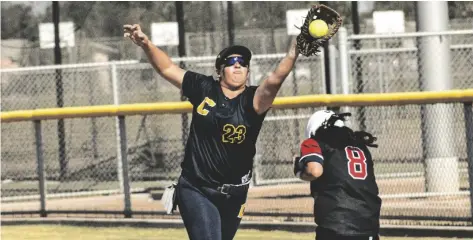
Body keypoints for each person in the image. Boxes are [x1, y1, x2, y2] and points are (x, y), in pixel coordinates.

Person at [123, 24, 300, 240]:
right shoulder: (204, 88)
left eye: (243, 63)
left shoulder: (253, 100)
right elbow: (168, 68)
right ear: (219, 70)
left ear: (248, 71)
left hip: (235, 193)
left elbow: (273, 81)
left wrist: (293, 53)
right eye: (231, 62)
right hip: (197, 187)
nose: (238, 66)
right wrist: (146, 44)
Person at [293, 110, 382, 240]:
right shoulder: (361, 146)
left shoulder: (314, 142)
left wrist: (300, 173)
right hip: (369, 224)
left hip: (336, 224)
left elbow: (314, 171)